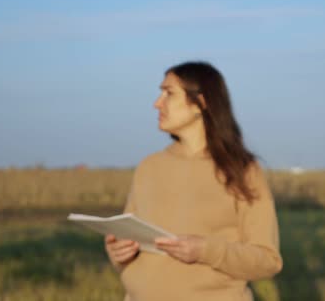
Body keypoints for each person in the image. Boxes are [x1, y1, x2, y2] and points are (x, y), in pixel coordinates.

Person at [104, 61, 283, 300]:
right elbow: (127, 250)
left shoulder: (243, 170)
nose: (157, 103)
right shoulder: (148, 167)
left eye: (168, 93)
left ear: (201, 102)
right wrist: (119, 252)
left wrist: (205, 250)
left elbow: (267, 261)